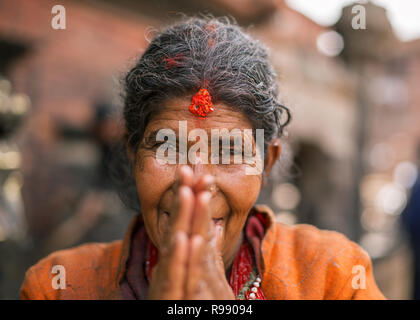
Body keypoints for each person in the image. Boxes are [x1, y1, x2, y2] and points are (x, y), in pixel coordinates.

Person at [20, 17, 385, 300]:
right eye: (168, 148)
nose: (197, 182)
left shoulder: (333, 276)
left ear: (267, 162)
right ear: (133, 154)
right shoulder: (58, 285)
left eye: (230, 152)